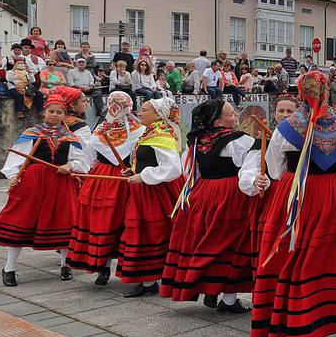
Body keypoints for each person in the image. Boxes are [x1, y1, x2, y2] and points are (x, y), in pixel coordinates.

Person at [249, 72, 336, 337]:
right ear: (328, 92)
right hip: (334, 197)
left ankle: (286, 333)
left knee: (292, 257)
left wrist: (292, 180)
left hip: (296, 194)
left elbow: (275, 168)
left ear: (300, 94)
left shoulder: (287, 126)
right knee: (335, 257)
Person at [160, 100, 262, 314]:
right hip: (231, 194)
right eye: (230, 114)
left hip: (203, 193)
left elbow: (188, 170)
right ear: (218, 121)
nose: (235, 116)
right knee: (232, 244)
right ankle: (228, 298)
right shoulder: (240, 140)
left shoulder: (197, 140)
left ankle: (211, 289)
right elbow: (250, 167)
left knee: (206, 239)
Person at [0, 89, 88, 285]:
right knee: (22, 221)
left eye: (59, 112)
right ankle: (9, 268)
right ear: (44, 112)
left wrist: (70, 165)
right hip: (33, 182)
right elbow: (16, 158)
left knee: (64, 222)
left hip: (60, 183)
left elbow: (82, 162)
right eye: (52, 111)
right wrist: (14, 176)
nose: (55, 115)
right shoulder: (31, 133)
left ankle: (65, 265)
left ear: (64, 114)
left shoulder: (71, 137)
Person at [66, 91, 144, 284]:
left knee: (107, 221)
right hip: (121, 176)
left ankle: (107, 267)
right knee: (117, 222)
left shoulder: (105, 128)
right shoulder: (136, 129)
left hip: (109, 177)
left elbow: (91, 157)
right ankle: (111, 267)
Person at [117, 97, 185, 298]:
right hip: (146, 189)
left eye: (144, 110)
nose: (140, 112)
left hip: (157, 192)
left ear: (158, 115)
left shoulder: (162, 135)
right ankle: (149, 280)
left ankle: (151, 281)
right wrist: (133, 171)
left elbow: (173, 168)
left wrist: (144, 176)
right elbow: (149, 160)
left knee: (152, 232)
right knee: (145, 232)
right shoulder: (151, 132)